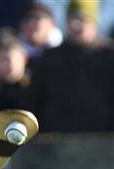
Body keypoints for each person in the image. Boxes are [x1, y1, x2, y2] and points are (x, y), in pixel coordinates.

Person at [28, 0, 114, 132]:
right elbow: (35, 101)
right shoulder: (50, 58)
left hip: (102, 142)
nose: (75, 25)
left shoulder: (109, 56)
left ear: (94, 22)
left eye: (81, 19)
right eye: (71, 19)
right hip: (59, 142)